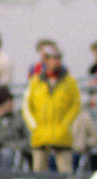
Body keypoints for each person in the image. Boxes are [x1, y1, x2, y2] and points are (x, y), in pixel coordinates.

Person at [22, 44, 81, 172]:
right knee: (39, 171)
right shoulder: (35, 82)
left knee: (64, 173)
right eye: (53, 58)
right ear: (46, 61)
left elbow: (75, 105)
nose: (56, 61)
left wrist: (65, 125)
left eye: (58, 58)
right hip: (41, 135)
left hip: (61, 135)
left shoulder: (70, 82)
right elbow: (27, 106)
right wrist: (35, 127)